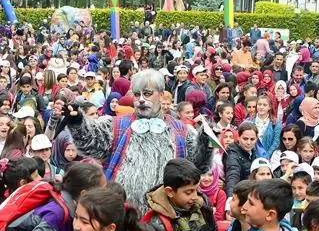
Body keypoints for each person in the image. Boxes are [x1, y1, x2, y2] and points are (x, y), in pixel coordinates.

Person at [63, 68, 212, 211]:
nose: (141, 100)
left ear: (160, 95)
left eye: (147, 94)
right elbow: (88, 144)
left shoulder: (182, 131)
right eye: (136, 94)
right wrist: (77, 123)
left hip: (168, 219)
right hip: (123, 215)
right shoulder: (117, 125)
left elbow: (199, 168)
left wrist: (206, 143)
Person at [224, 121, 258, 197]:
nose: (249, 142)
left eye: (252, 139)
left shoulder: (254, 152)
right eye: (245, 139)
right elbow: (233, 174)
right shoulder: (232, 153)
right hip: (239, 195)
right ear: (238, 137)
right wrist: (231, 197)